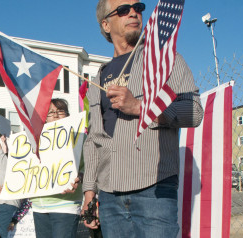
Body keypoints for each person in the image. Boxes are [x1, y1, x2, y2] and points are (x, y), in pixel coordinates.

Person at [82, 1, 204, 237]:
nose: (134, 13)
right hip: (109, 194)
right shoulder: (98, 76)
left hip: (154, 189)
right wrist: (89, 192)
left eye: (138, 7)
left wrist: (140, 107)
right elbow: (93, 140)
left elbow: (194, 111)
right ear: (105, 24)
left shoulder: (164, 60)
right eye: (123, 9)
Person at [30, 98, 83, 238]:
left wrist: (80, 178)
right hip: (39, 206)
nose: (55, 115)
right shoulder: (35, 141)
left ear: (68, 115)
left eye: (60, 111)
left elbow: (89, 168)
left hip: (65, 204)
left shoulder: (78, 138)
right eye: (50, 112)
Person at [0, 127, 24, 237]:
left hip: (5, 205)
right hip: (10, 205)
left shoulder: (7, 167)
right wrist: (4, 142)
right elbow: (4, 154)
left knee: (6, 234)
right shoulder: (16, 168)